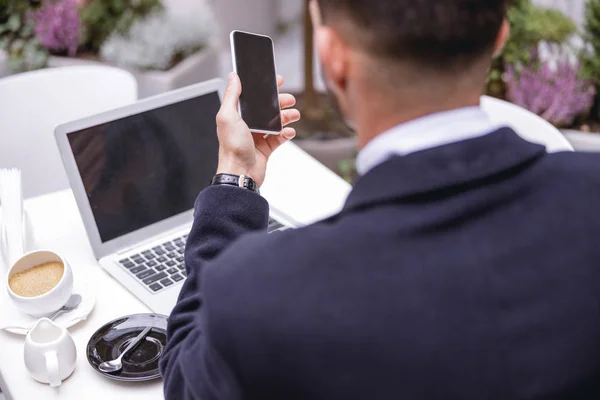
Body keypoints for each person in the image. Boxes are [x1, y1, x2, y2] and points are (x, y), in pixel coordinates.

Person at [159, 0, 600, 398]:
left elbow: (185, 378)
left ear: (334, 59)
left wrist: (234, 180)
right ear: (500, 36)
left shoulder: (265, 291)